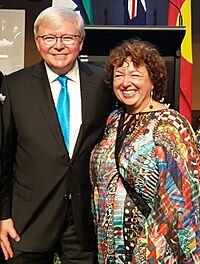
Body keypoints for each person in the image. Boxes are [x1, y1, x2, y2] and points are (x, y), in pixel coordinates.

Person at [0, 6, 113, 264]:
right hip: (27, 220)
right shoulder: (15, 85)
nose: (58, 45)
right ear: (38, 42)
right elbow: (3, 157)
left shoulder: (103, 83)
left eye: (68, 38)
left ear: (81, 42)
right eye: (50, 38)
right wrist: (2, 216)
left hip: (84, 222)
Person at [90, 39, 200, 263]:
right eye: (119, 75)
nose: (126, 82)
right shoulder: (114, 120)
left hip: (153, 254)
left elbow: (179, 205)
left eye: (136, 75)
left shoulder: (170, 125)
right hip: (109, 250)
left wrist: (146, 253)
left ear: (153, 81)